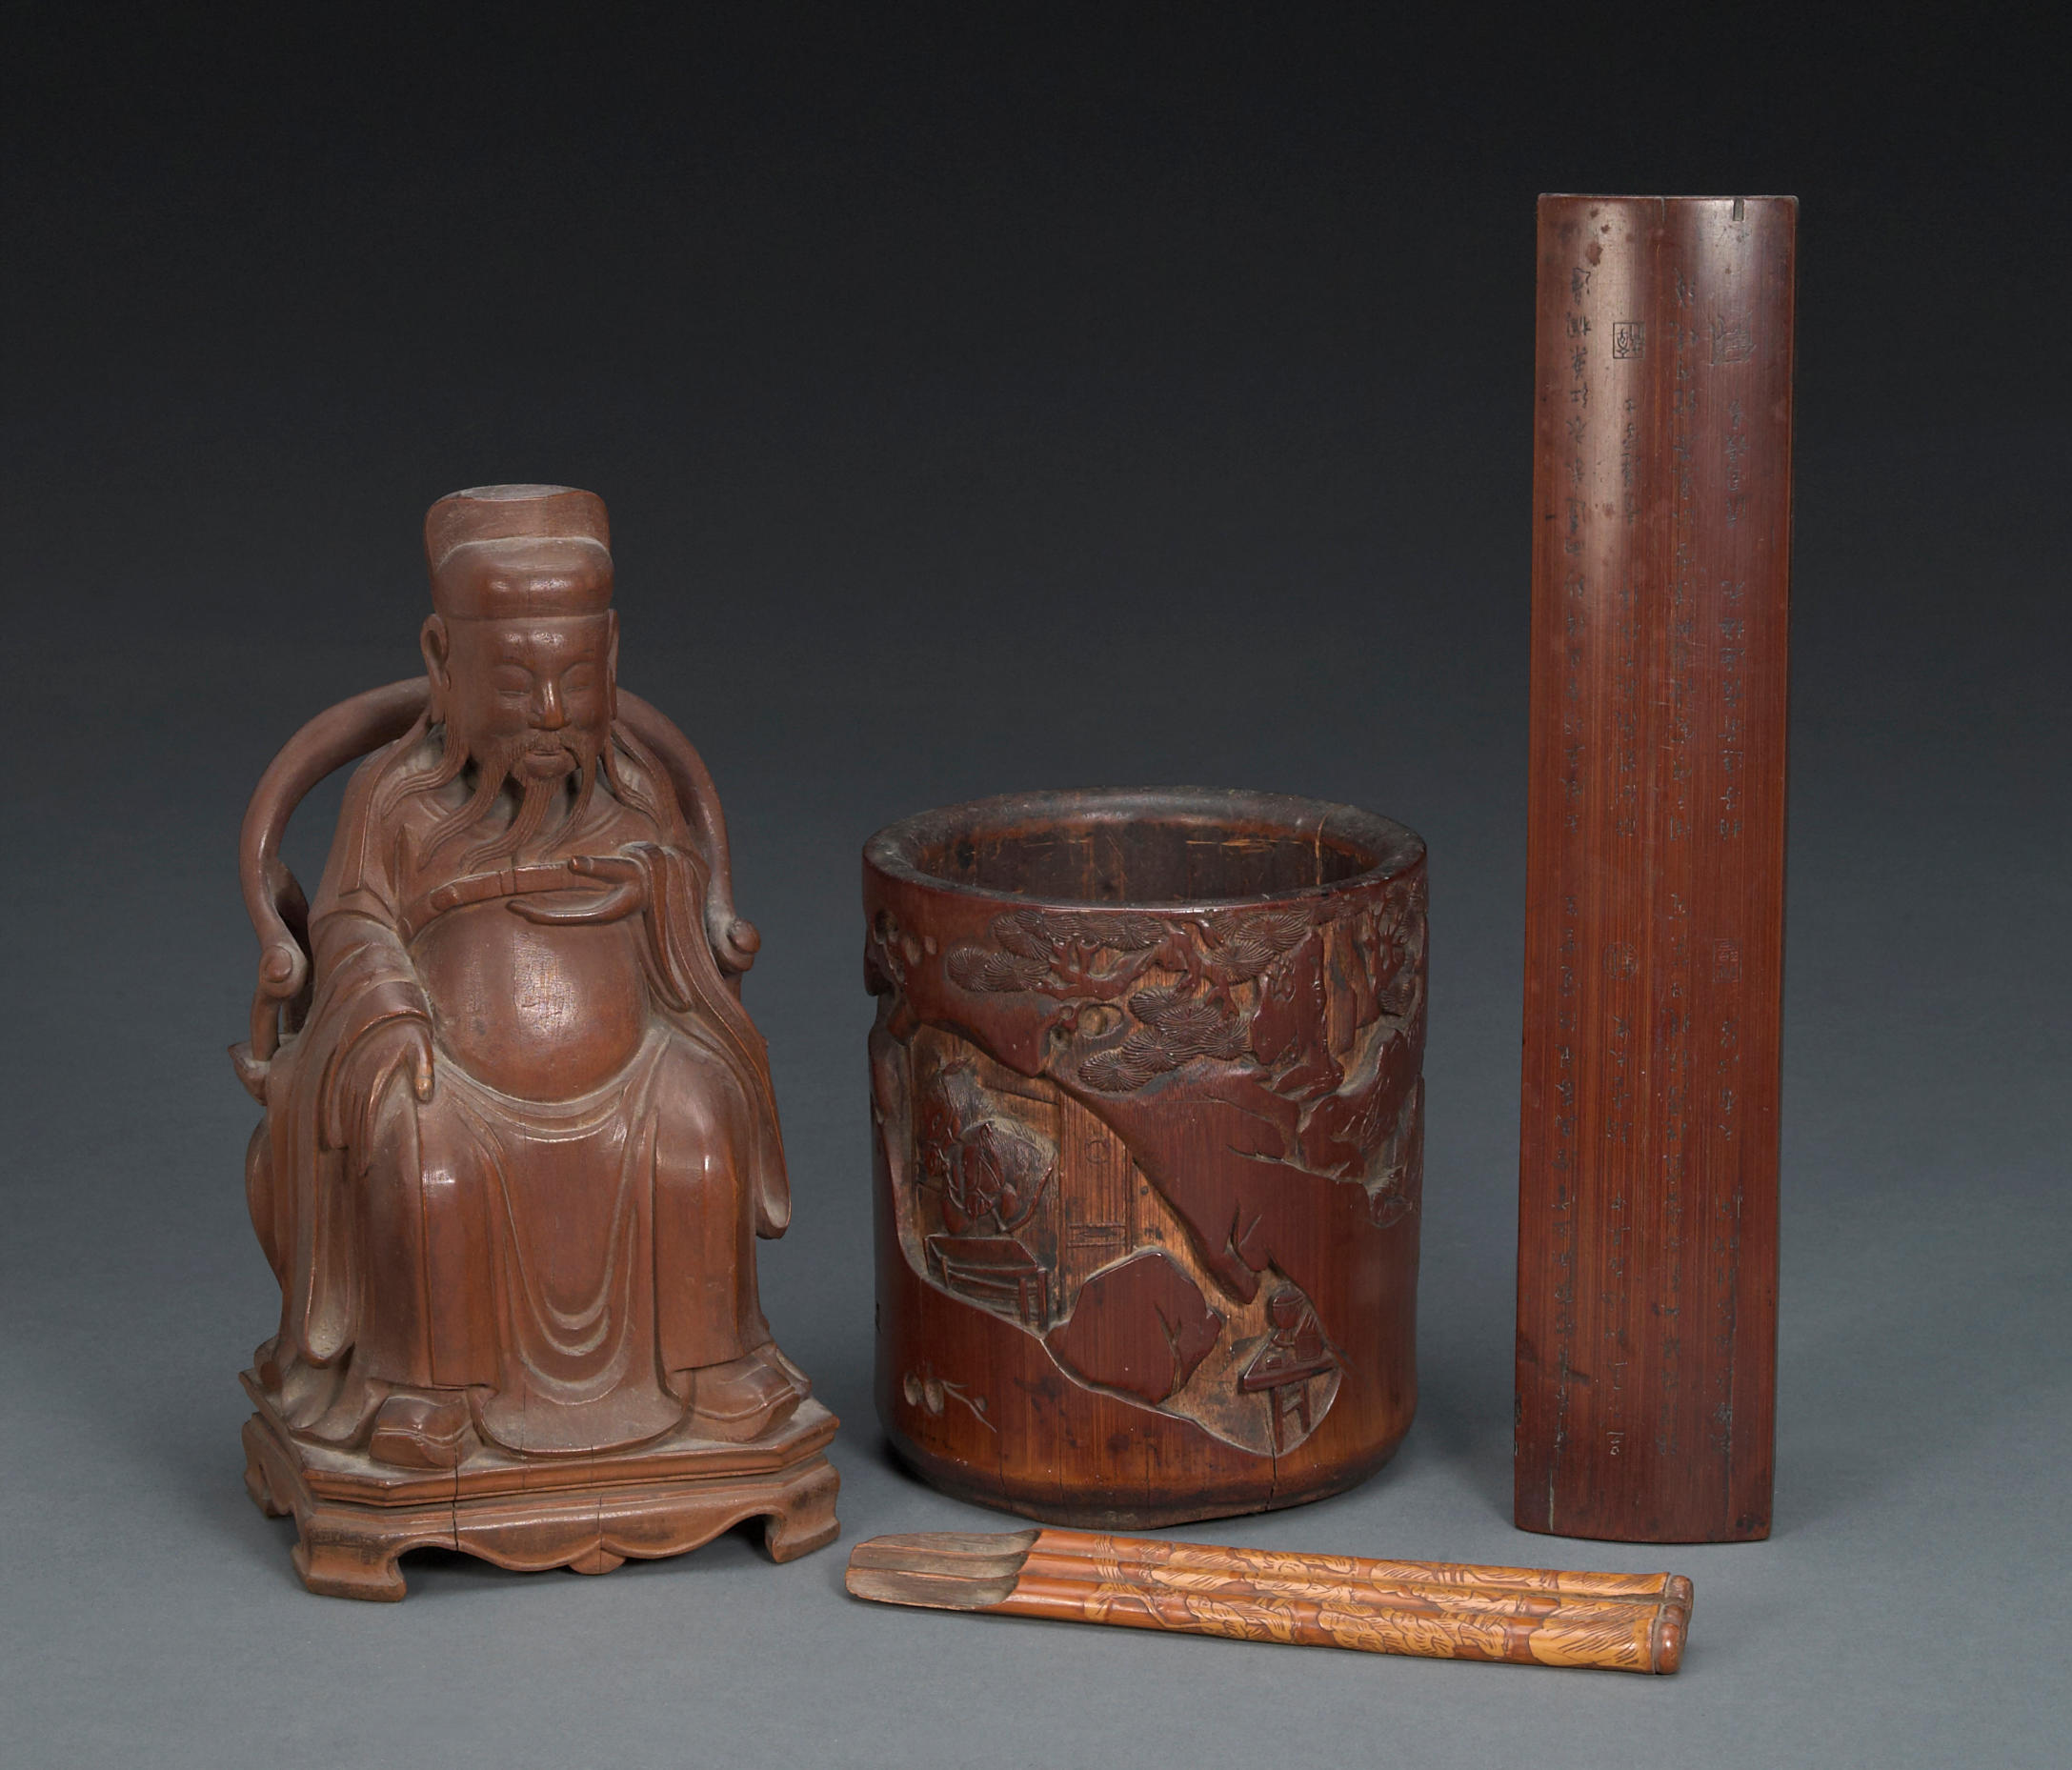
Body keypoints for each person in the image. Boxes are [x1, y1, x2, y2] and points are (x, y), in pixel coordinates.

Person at [244, 485, 808, 1470]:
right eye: (514, 684)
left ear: (612, 658)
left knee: (699, 1127)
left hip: (632, 1071)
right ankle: (425, 1391)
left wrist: (658, 886)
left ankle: (710, 1368)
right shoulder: (395, 800)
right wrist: (391, 1012)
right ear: (441, 660)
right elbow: (351, 922)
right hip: (454, 1081)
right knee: (421, 1159)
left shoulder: (634, 786)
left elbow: (686, 895)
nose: (550, 713)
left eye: (576, 680)